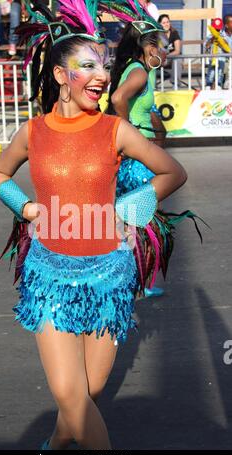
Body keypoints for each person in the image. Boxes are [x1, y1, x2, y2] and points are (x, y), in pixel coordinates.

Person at [0, 0, 187, 450]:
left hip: (110, 278)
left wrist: (129, 207)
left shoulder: (115, 130)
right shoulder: (32, 132)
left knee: (82, 401)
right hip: (50, 278)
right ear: (60, 74)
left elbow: (172, 173)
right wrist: (25, 207)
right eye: (87, 66)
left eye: (104, 65)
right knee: (73, 399)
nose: (101, 75)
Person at [101, 0, 168, 297]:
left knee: (129, 218)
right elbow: (117, 99)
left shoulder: (133, 67)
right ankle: (142, 281)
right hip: (137, 158)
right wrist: (128, 132)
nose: (161, 48)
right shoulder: (139, 70)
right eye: (157, 42)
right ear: (146, 45)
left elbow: (141, 104)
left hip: (134, 153)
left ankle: (128, 278)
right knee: (142, 217)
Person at [158, 14, 182, 84]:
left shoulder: (174, 33)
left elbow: (177, 51)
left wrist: (167, 56)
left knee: (177, 60)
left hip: (170, 58)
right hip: (160, 59)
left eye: (167, 22)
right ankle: (153, 88)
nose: (166, 24)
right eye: (164, 23)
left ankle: (175, 84)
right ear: (159, 24)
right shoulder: (157, 35)